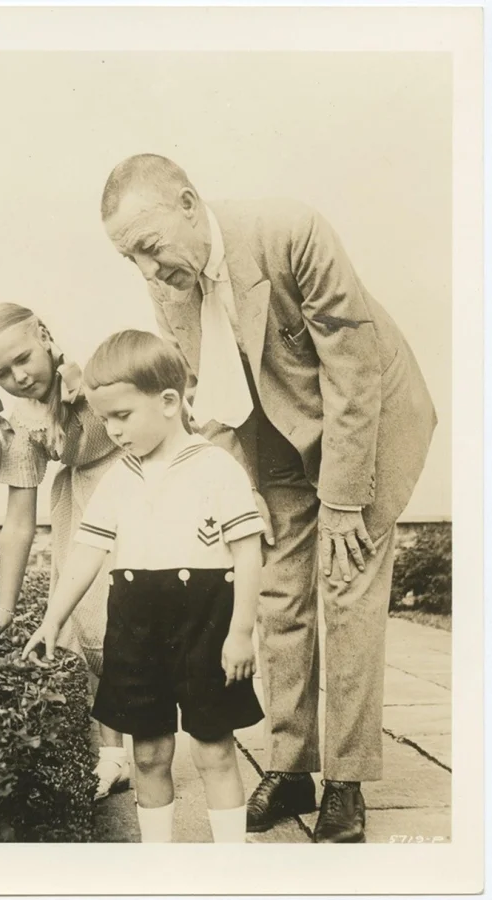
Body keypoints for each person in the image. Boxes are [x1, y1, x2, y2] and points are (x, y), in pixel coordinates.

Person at [99, 154, 437, 843]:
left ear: (187, 204)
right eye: (129, 258)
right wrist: (226, 492)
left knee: (346, 592)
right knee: (279, 594)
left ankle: (345, 779)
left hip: (368, 424)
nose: (146, 269)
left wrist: (344, 499)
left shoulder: (291, 230)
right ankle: (290, 766)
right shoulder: (169, 284)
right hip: (273, 435)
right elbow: (199, 393)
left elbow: (353, 371)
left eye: (149, 246)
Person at [23, 330, 265, 843]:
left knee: (214, 750)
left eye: (122, 415)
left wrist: (241, 632)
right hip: (136, 628)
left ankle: (232, 867)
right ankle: (159, 867)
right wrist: (52, 619)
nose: (111, 430)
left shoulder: (217, 468)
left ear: (169, 402)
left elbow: (248, 552)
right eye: (104, 418)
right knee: (149, 753)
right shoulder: (119, 477)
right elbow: (86, 553)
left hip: (206, 625)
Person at [0, 302, 129, 801]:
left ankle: (179, 732)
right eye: (2, 373)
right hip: (83, 506)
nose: (18, 377)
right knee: (92, 621)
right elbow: (18, 523)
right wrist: (4, 608)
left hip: (137, 484)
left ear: (42, 334)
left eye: (22, 358)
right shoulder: (20, 425)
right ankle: (114, 756)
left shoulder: (94, 374)